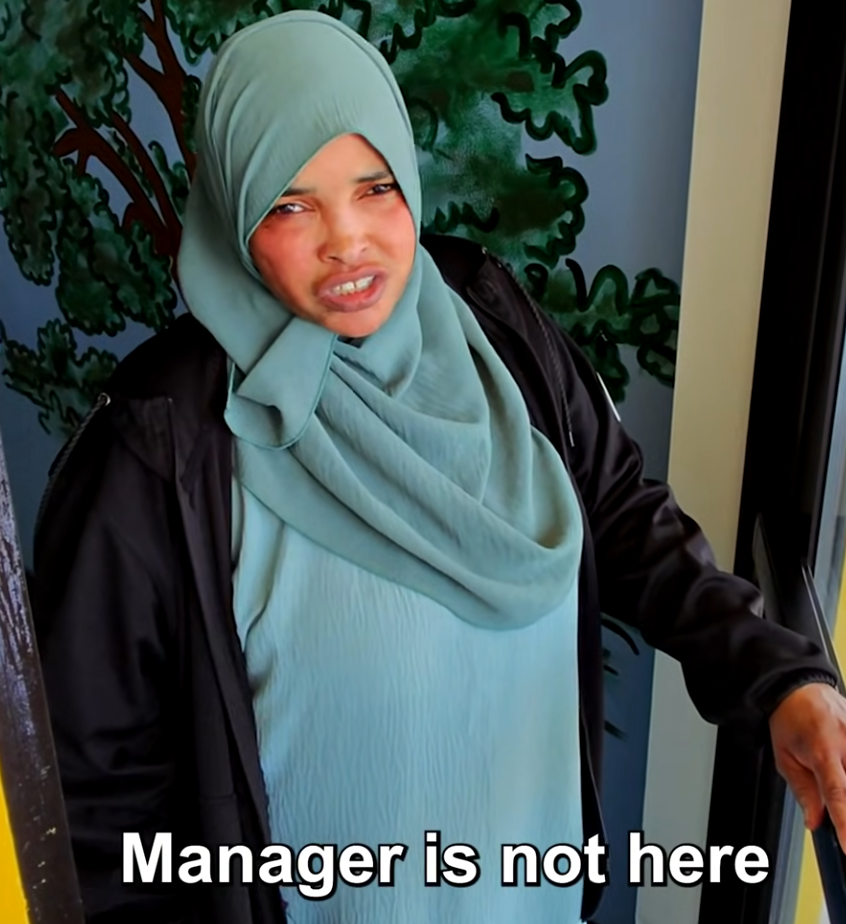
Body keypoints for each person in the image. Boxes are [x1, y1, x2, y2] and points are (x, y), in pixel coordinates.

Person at [30, 10, 846, 924]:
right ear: (232, 206)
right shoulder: (157, 444)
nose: (348, 241)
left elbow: (622, 515)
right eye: (291, 205)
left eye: (375, 188)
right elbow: (93, 798)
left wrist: (781, 676)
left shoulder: (493, 324)